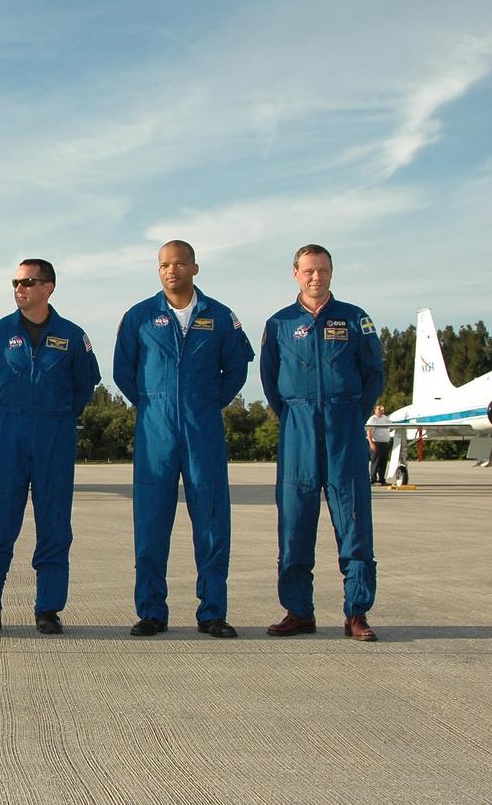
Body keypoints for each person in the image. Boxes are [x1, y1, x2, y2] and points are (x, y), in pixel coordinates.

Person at [113, 241, 254, 639]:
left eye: (178, 264)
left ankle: (212, 613)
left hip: (202, 427)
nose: (170, 271)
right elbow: (124, 371)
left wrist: (205, 403)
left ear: (194, 267)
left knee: (211, 522)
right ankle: (151, 611)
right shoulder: (139, 316)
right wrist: (153, 403)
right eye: (163, 265)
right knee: (151, 523)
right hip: (154, 429)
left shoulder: (221, 317)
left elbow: (237, 370)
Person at [0, 259, 100, 635]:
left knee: (55, 526)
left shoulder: (72, 336)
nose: (20, 288)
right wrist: (14, 415)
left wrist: (56, 415)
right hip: (10, 434)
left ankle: (48, 610)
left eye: (28, 282)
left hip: (55, 436)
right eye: (15, 282)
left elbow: (84, 386)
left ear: (49, 287)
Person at [260, 245, 383, 642]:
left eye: (323, 270)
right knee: (295, 521)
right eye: (309, 270)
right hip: (297, 426)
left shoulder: (354, 319)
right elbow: (270, 378)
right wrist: (296, 413)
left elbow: (373, 372)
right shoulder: (279, 324)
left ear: (332, 272)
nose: (317, 277)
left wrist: (349, 413)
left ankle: (356, 612)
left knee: (354, 520)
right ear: (295, 272)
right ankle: (298, 610)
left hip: (344, 424)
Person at [366, 404, 392, 486]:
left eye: (382, 409)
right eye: (379, 409)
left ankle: (381, 479)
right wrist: (371, 443)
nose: (381, 411)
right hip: (376, 443)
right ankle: (372, 479)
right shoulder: (373, 419)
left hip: (384, 443)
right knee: (376, 462)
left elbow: (391, 426)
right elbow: (369, 431)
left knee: (384, 462)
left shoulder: (385, 418)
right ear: (375, 410)